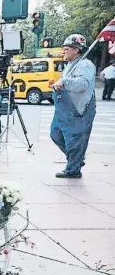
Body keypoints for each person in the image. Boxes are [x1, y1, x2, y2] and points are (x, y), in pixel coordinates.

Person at [50, 34, 96, 179]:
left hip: (79, 111)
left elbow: (82, 84)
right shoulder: (70, 64)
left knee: (75, 142)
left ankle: (73, 169)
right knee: (55, 134)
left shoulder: (85, 65)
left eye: (67, 48)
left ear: (76, 50)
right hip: (64, 111)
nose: (64, 51)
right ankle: (76, 160)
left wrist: (64, 82)